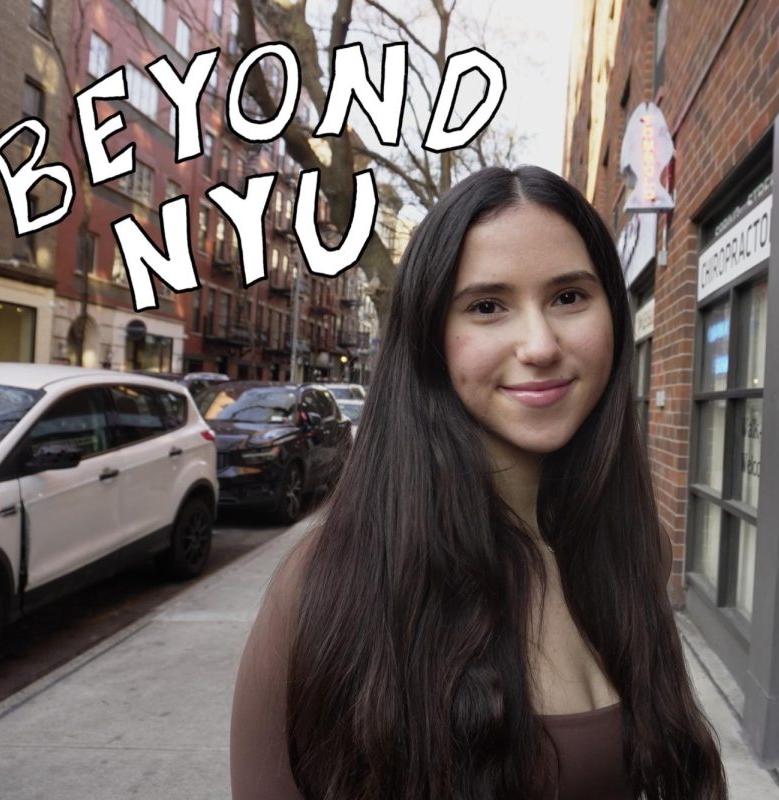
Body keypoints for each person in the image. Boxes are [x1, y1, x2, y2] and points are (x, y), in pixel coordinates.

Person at [230, 166, 727, 800]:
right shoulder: (330, 582)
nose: (540, 344)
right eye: (488, 306)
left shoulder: (637, 548)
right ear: (431, 340)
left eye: (569, 296)